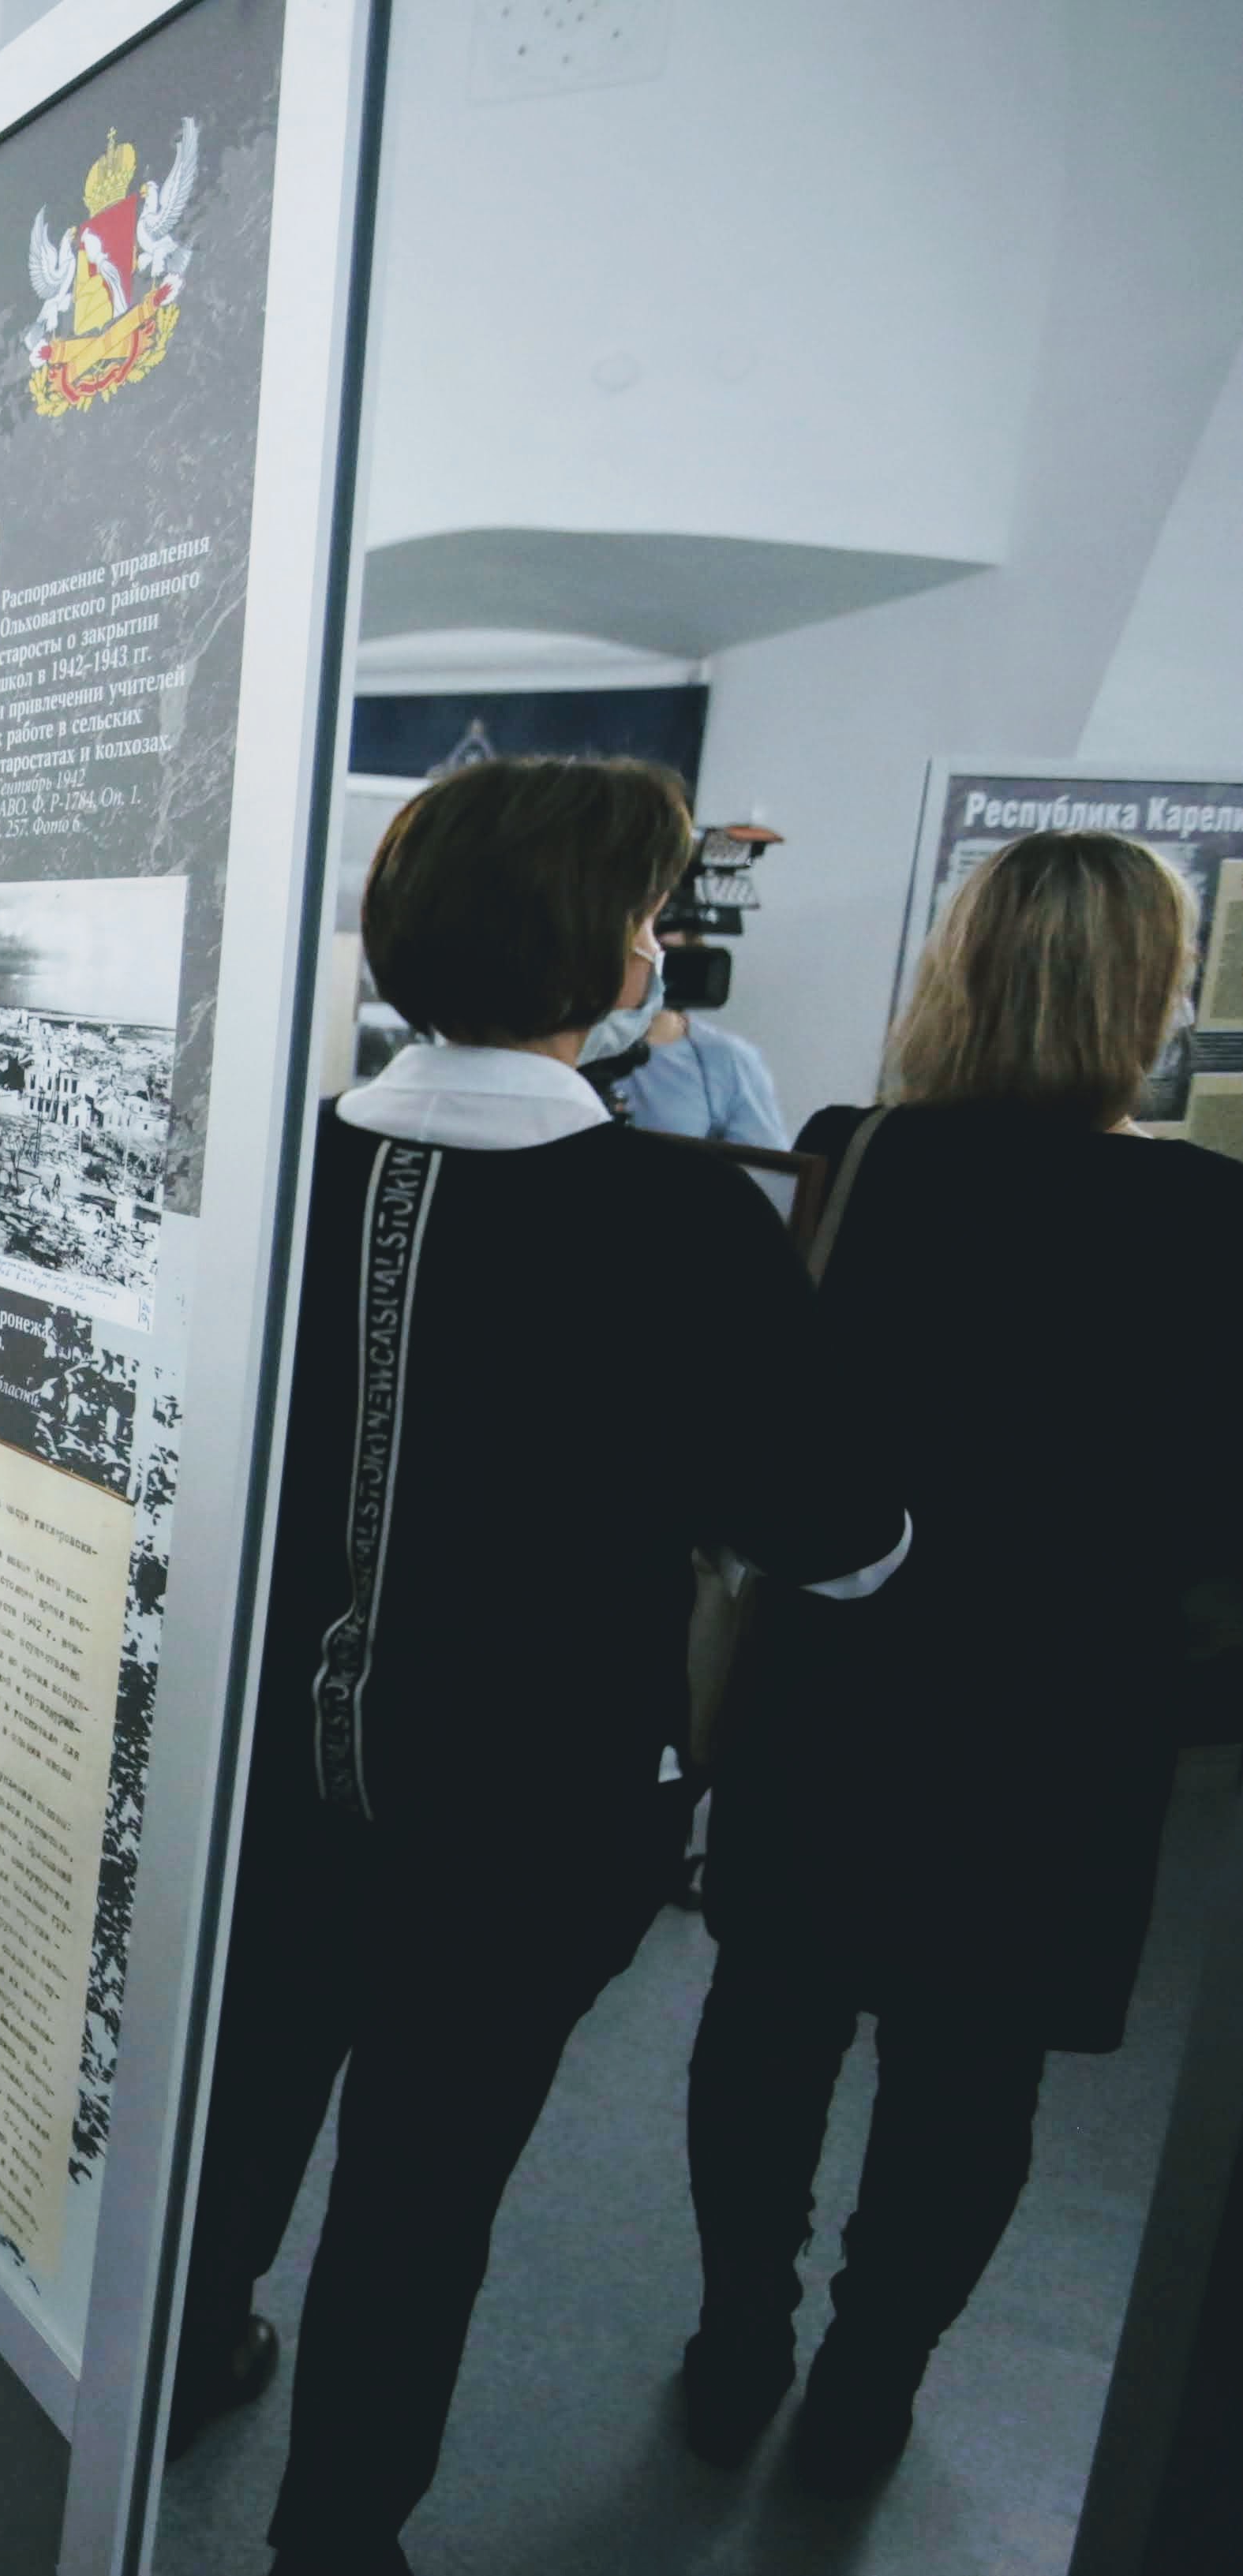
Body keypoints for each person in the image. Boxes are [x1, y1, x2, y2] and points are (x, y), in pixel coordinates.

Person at [166, 756, 908, 2575]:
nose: (658, 949)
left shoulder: (260, 1179)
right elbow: (846, 1540)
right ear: (598, 947)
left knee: (230, 2109)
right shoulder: (681, 1219)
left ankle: (180, 2361)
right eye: (647, 915)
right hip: (533, 1817)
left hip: (252, 1781)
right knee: (421, 2195)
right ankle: (334, 2538)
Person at [683, 830, 1243, 2492]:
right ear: (1155, 991)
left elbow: (767, 1428)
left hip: (841, 1676)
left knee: (769, 2025)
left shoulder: (856, 1157)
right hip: (1068, 1712)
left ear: (961, 968)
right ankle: (868, 2385)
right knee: (971, 2074)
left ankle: (737, 2339)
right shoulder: (1212, 1215)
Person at [591, 932, 792, 1146]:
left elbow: (763, 1162)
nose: (649, 967)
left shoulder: (728, 1058)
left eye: (662, 952)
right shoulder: (576, 1045)